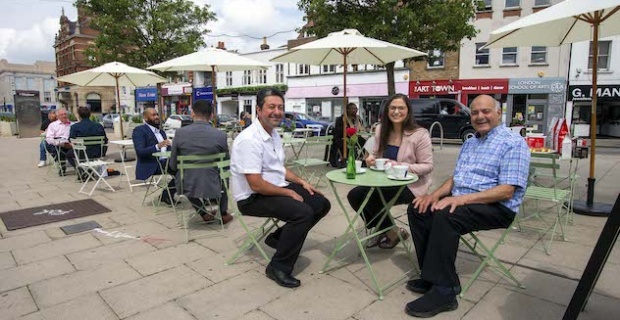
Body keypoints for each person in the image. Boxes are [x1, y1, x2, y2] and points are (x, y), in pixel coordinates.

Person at [403, 95, 530, 318]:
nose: (480, 116)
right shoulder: (471, 142)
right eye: (475, 112)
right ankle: (430, 276)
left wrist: (458, 200)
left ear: (498, 113)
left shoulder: (513, 143)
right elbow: (456, 179)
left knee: (446, 213)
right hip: (465, 200)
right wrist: (433, 196)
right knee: (418, 208)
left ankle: (445, 290)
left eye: (486, 111)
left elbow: (507, 190)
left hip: (497, 207)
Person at [230, 88, 331, 288]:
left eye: (280, 107)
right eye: (271, 107)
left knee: (321, 203)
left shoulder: (273, 133)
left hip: (274, 187)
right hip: (252, 197)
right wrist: (289, 191)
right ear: (258, 110)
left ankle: (279, 238)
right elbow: (256, 184)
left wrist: (301, 182)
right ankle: (278, 267)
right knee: (302, 212)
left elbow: (279, 169)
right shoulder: (249, 140)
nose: (277, 112)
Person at [348, 94, 433, 249]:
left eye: (401, 108)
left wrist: (399, 166)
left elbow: (427, 166)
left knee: (373, 199)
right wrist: (371, 159)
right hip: (384, 180)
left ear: (408, 111)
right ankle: (390, 231)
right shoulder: (381, 129)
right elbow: (375, 154)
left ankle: (385, 231)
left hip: (410, 184)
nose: (396, 111)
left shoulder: (420, 134)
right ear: (387, 111)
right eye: (392, 108)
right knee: (355, 195)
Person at [169, 100, 233, 224]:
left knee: (184, 176)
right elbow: (226, 162)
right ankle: (223, 212)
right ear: (211, 116)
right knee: (224, 175)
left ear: (192, 113)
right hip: (213, 183)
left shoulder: (180, 133)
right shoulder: (220, 135)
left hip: (187, 184)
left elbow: (173, 164)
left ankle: (203, 212)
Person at [132, 107, 176, 205]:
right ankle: (166, 195)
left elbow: (167, 148)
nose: (156, 117)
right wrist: (157, 146)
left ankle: (166, 195)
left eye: (157, 114)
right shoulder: (139, 130)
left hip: (166, 161)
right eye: (153, 115)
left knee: (186, 170)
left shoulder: (161, 132)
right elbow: (140, 151)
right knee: (183, 170)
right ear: (146, 118)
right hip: (152, 164)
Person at [331, 102, 366, 167]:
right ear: (348, 110)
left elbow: (362, 128)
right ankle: (347, 160)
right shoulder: (341, 119)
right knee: (348, 144)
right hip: (342, 138)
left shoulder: (358, 118)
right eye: (353, 109)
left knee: (366, 143)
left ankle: (362, 159)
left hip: (355, 137)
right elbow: (339, 132)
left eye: (356, 109)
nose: (355, 110)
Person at [45, 108, 74, 176]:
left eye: (65, 114)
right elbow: (49, 138)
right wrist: (59, 143)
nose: (64, 116)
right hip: (58, 144)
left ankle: (78, 167)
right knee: (59, 149)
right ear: (57, 116)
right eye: (62, 115)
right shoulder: (53, 125)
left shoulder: (72, 124)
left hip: (70, 143)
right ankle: (62, 166)